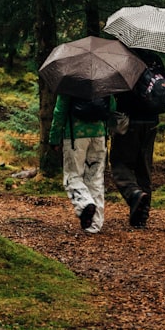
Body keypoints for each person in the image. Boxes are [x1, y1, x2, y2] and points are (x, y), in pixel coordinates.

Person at [111, 49, 165, 228]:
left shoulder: (125, 60)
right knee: (144, 166)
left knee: (120, 163)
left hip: (129, 121)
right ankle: (141, 217)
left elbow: (116, 90)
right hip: (151, 121)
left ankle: (134, 193)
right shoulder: (155, 59)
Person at [49, 93, 114, 234]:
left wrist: (54, 138)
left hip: (75, 136)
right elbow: (112, 107)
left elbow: (60, 111)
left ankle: (85, 204)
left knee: (72, 176)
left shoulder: (70, 82)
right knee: (95, 179)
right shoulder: (103, 80)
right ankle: (95, 225)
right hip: (99, 135)